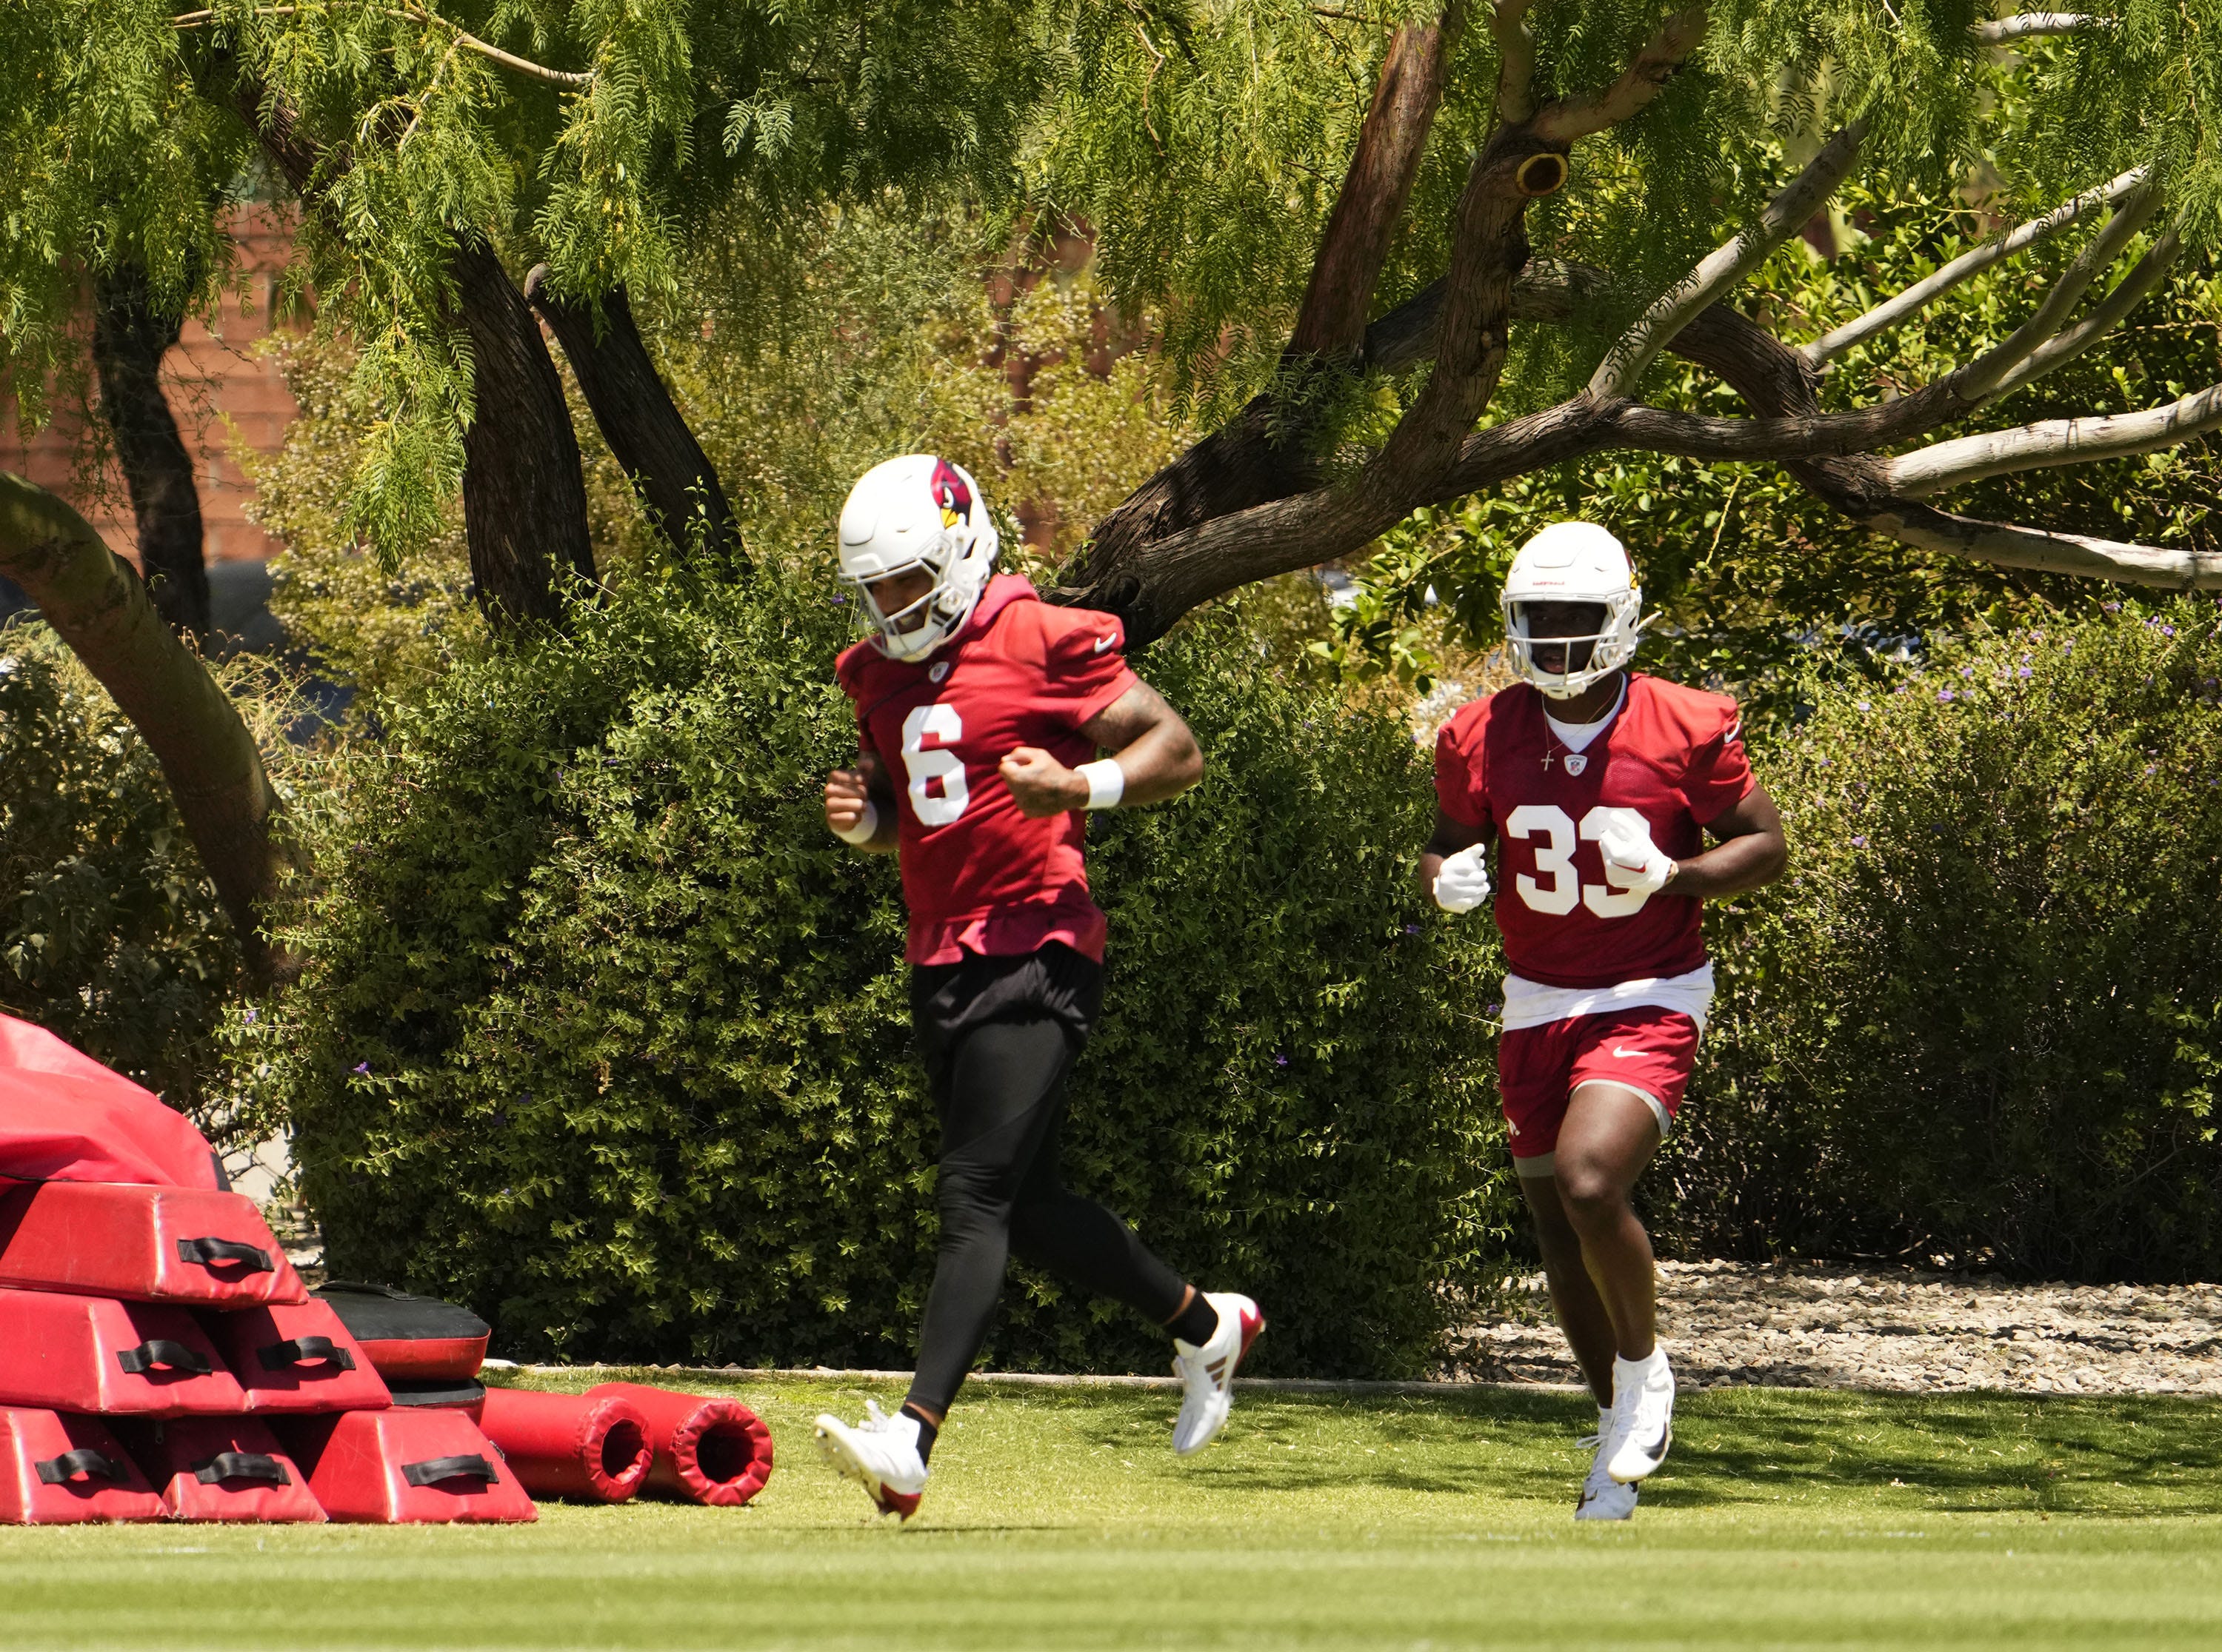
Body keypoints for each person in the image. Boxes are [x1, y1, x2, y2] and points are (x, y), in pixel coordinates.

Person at [813, 453, 1264, 1520]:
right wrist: (868, 824)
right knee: (1036, 1207)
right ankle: (1210, 1328)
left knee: (972, 1196)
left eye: (907, 584)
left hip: (1041, 944)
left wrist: (1080, 783)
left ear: (962, 556)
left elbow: (1178, 749)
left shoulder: (1040, 636)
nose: (891, 608)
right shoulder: (875, 674)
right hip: (944, 956)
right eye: (874, 591)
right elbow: (923, 813)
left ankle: (912, 1440)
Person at [1419, 521, 1786, 1521]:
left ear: (1619, 617)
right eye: (1540, 619)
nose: (1558, 639)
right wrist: (1442, 876)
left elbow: (1764, 846)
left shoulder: (1681, 723)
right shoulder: (1479, 733)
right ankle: (1614, 1425)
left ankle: (1647, 1370)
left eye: (1577, 618)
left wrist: (1675, 876)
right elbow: (1448, 843)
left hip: (1649, 992)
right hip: (1535, 997)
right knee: (1555, 1225)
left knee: (1589, 1181)